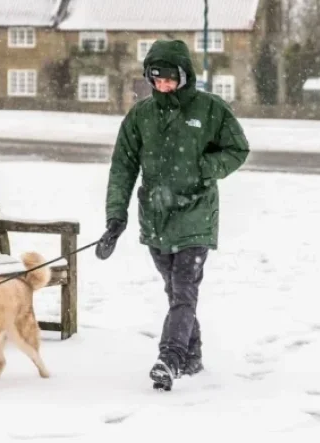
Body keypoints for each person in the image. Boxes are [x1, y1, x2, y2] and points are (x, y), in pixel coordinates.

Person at [95, 39, 250, 391]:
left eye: (169, 78)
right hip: (156, 217)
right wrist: (115, 218)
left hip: (196, 214)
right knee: (175, 290)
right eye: (156, 78)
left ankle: (171, 358)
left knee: (183, 291)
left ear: (184, 75)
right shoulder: (141, 116)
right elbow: (123, 167)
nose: (163, 85)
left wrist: (206, 167)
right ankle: (193, 356)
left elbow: (238, 149)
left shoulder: (210, 109)